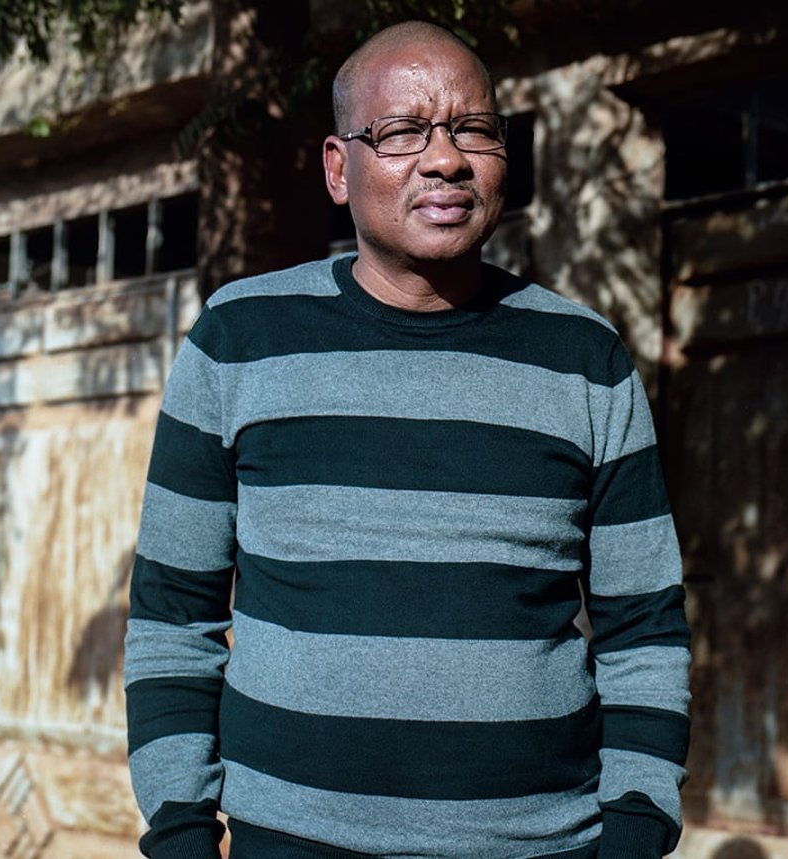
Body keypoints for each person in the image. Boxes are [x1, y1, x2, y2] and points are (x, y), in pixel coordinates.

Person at [124, 20, 691, 859]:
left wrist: (637, 829)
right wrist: (177, 828)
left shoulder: (583, 359)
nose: (445, 160)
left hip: (540, 843)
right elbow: (173, 611)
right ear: (336, 167)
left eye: (473, 129)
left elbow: (643, 625)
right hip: (291, 840)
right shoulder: (239, 338)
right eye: (401, 132)